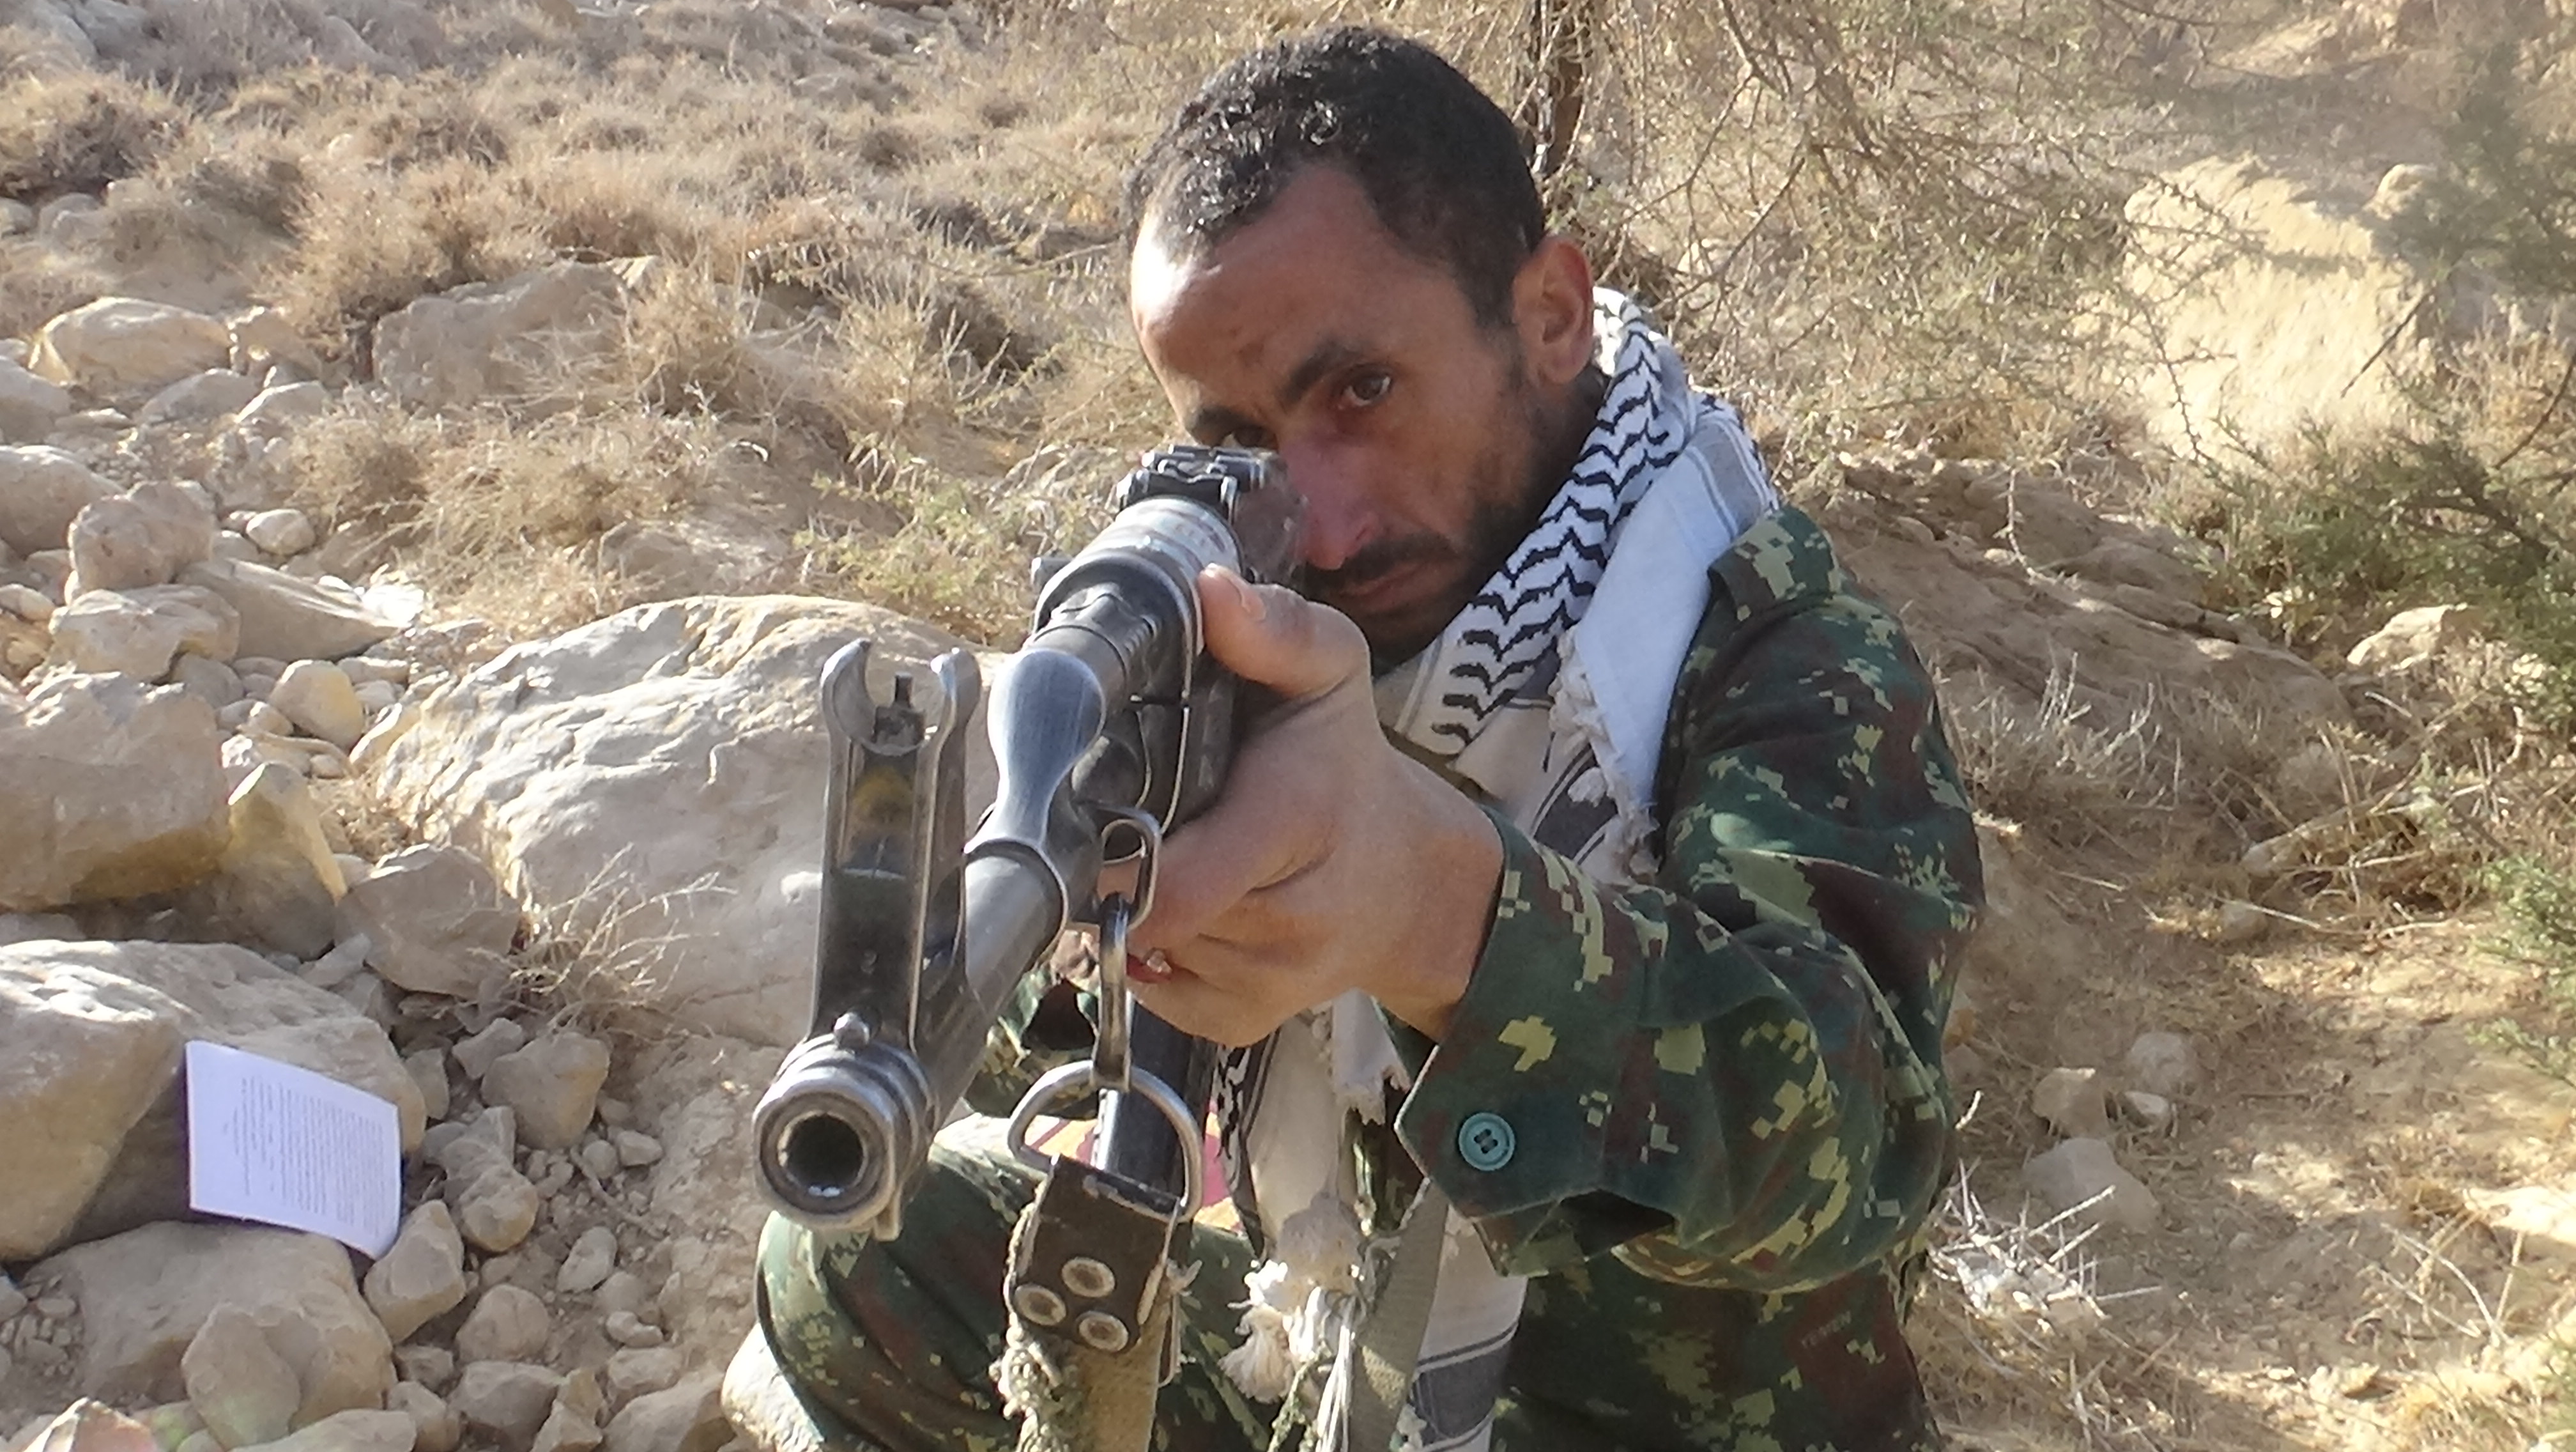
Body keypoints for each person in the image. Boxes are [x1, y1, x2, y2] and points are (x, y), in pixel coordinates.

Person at [739, 25, 1982, 1452]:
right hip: (1336, 1353)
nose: (1322, 525)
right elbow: (1057, 1061)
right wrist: (1111, 897)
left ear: (1551, 314)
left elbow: (1859, 1143)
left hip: (1654, 1418)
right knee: (858, 1264)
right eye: (1245, 441)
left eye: (1364, 393)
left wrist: (1438, 912)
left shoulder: (1776, 646)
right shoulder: (1261, 621)